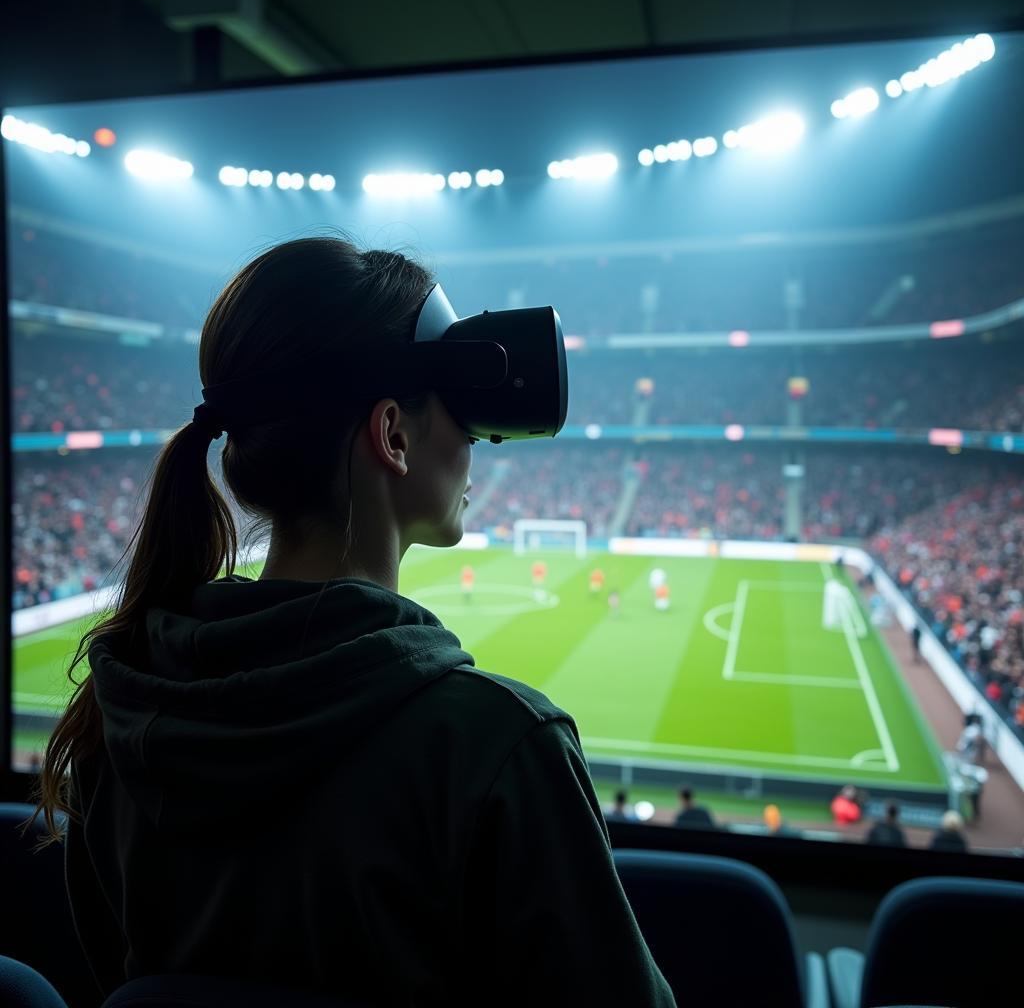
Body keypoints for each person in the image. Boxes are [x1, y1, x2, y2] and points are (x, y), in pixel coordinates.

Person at [28, 240, 674, 1006]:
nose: (476, 439)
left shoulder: (120, 716)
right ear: (393, 435)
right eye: (458, 409)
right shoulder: (497, 748)